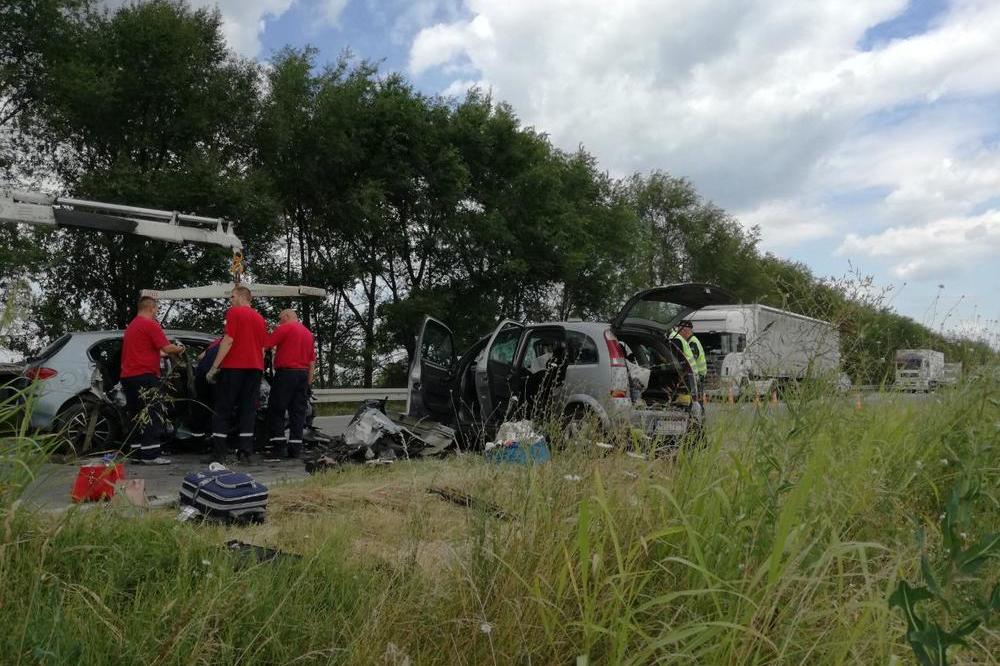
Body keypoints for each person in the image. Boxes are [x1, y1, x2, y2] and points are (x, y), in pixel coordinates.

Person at [120, 296, 185, 464]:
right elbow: (167, 348)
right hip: (145, 376)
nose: (157, 312)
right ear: (151, 308)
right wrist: (180, 348)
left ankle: (136, 453)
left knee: (136, 415)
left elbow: (152, 351)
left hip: (129, 376)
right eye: (156, 309)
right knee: (152, 413)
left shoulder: (132, 326)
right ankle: (150, 454)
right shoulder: (150, 324)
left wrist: (163, 353)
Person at [205, 286, 267, 463]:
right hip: (255, 369)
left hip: (234, 367)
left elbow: (229, 340)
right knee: (248, 410)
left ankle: (219, 453)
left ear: (241, 297)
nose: (230, 300)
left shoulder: (234, 312)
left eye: (232, 296)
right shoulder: (260, 318)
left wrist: (214, 367)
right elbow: (263, 349)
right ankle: (246, 452)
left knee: (223, 408)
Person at [264, 309, 316, 459]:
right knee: (298, 412)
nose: (279, 322)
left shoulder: (284, 328)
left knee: (277, 409)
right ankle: (295, 448)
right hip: (303, 375)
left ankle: (279, 447)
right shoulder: (308, 334)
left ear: (287, 316)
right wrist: (308, 383)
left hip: (286, 373)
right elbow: (312, 361)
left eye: (280, 319)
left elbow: (266, 344)